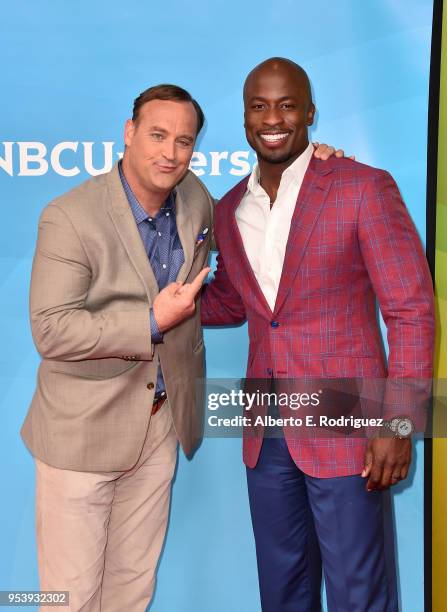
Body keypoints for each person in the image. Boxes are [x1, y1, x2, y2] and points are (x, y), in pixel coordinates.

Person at [21, 82, 340, 611]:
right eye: (157, 135)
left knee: (132, 587)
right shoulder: (70, 216)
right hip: (80, 434)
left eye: (184, 141)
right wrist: (150, 321)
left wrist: (316, 159)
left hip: (160, 426)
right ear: (129, 133)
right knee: (67, 598)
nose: (170, 152)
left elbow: (253, 225)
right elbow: (50, 330)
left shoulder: (195, 199)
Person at [201, 58, 435, 611]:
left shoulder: (363, 187)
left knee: (359, 593)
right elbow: (235, 302)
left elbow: (411, 311)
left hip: (348, 426)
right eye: (259, 105)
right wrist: (152, 300)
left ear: (309, 112)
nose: (273, 117)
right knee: (281, 592)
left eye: (286, 104)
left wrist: (397, 423)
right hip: (266, 429)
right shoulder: (231, 207)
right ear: (244, 117)